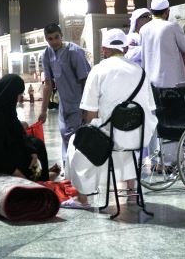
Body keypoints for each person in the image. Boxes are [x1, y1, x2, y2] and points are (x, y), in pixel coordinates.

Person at [63, 29, 157, 209]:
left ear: (104, 49)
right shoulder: (140, 71)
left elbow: (89, 114)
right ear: (126, 47)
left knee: (78, 142)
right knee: (125, 148)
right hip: (139, 136)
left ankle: (82, 198)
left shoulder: (98, 70)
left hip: (110, 137)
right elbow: (150, 107)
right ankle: (131, 192)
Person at [138, 0, 185, 159]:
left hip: (152, 84)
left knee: (157, 122)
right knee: (175, 121)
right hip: (173, 83)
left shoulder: (144, 30)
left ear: (152, 12)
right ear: (167, 11)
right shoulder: (172, 27)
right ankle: (174, 158)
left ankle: (157, 159)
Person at [0, 74, 49, 181]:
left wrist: (32, 152)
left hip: (4, 150)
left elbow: (19, 132)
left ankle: (44, 179)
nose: (17, 99)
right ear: (9, 94)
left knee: (36, 144)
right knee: (26, 156)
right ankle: (40, 181)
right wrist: (18, 174)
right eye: (17, 95)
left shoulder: (5, 109)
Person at [38, 23, 91, 163]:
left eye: (56, 37)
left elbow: (86, 80)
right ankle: (67, 168)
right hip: (64, 104)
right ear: (46, 39)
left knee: (75, 137)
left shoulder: (74, 52)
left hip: (79, 103)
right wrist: (43, 111)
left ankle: (75, 169)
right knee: (65, 135)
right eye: (50, 38)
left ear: (61, 35)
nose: (54, 41)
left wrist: (87, 107)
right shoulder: (46, 54)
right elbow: (48, 84)